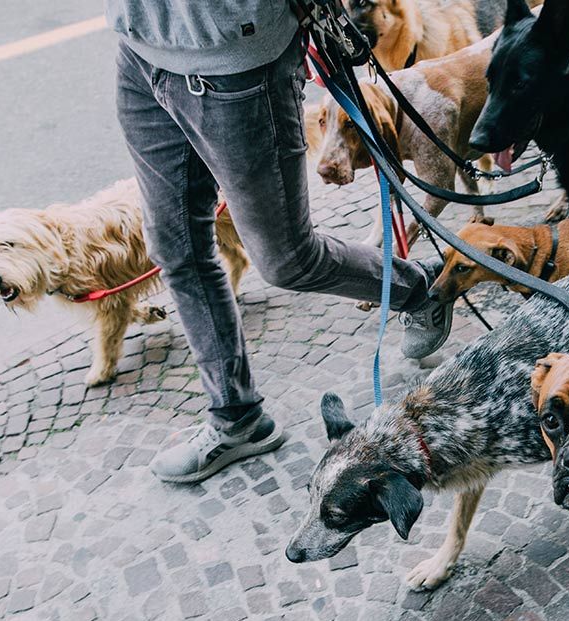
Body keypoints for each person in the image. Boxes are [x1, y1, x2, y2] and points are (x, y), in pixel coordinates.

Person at [107, 0, 454, 483]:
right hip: (140, 48)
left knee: (288, 259)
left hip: (237, 63)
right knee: (175, 248)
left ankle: (417, 288)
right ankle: (237, 417)